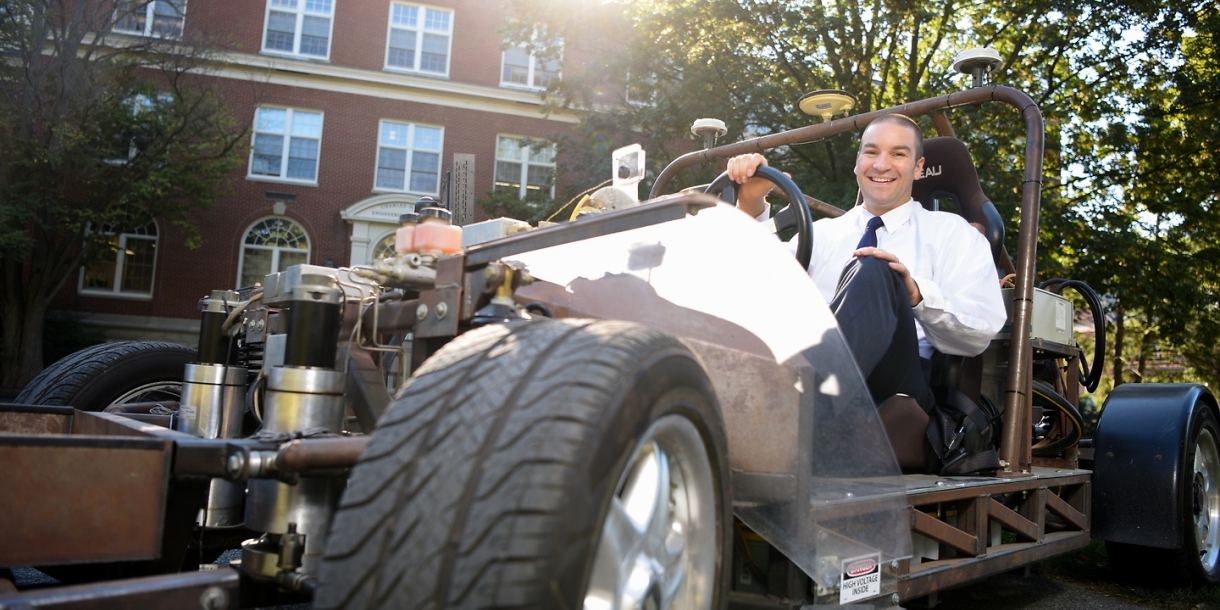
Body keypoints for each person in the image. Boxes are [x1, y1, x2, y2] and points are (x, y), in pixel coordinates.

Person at [727, 114, 1007, 413]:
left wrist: (915, 294)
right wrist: (750, 203)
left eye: (898, 154)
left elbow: (980, 333)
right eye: (871, 152)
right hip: (801, 364)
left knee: (875, 267)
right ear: (857, 162)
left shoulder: (953, 233)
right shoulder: (820, 234)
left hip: (898, 381)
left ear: (918, 168)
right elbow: (754, 287)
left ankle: (795, 410)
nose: (881, 164)